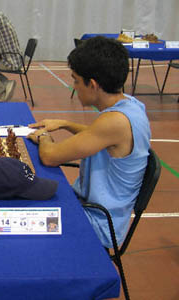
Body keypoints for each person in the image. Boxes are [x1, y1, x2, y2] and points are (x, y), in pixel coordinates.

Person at [27, 36, 151, 248]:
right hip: (90, 207)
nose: (73, 85)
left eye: (75, 80)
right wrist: (65, 123)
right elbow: (99, 136)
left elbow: (49, 157)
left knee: (14, 219)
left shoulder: (113, 122)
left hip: (97, 223)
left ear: (92, 84)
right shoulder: (131, 106)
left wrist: (43, 137)